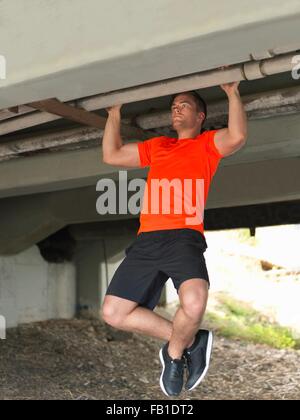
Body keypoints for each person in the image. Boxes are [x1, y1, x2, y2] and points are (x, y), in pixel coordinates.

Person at [101, 82, 247, 397]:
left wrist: (233, 92)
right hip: (147, 240)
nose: (176, 109)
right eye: (173, 106)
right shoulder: (158, 146)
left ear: (200, 115)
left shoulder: (208, 144)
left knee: (194, 303)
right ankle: (192, 340)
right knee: (113, 313)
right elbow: (111, 155)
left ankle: (175, 354)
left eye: (183, 105)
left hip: (184, 238)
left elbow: (236, 136)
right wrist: (114, 113)